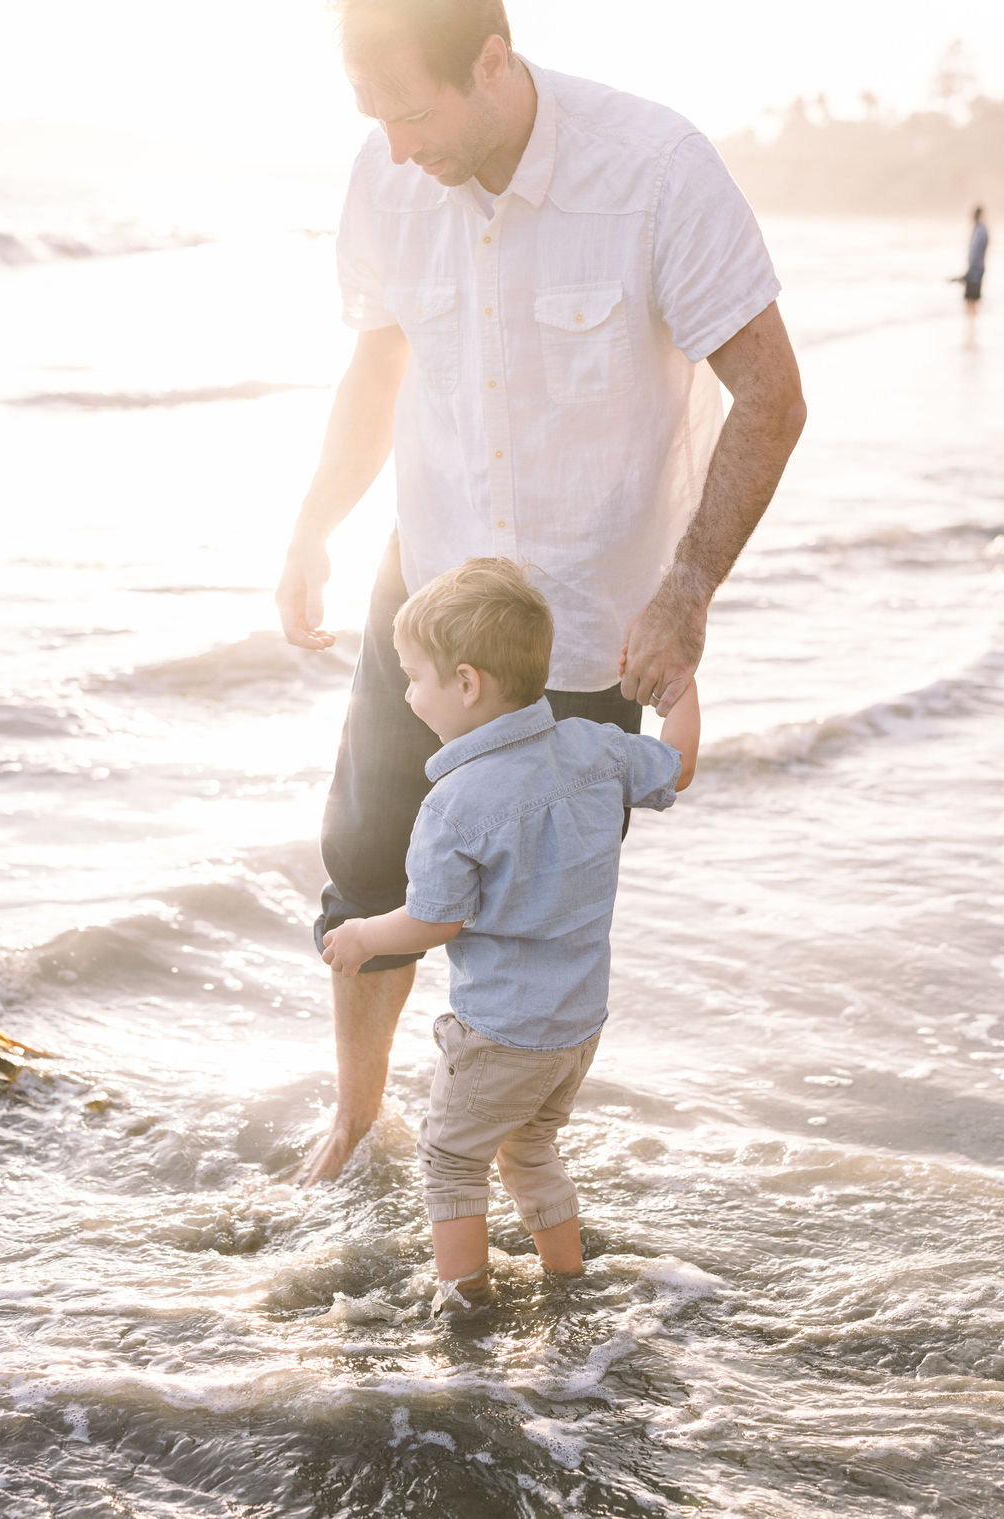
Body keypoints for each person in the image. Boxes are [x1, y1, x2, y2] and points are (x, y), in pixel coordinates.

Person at [275, 0, 806, 1183]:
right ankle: (358, 1119)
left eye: (414, 113)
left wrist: (686, 589)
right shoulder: (386, 170)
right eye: (376, 119)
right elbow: (380, 359)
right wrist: (316, 517)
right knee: (367, 863)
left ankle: (518, 1150)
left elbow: (771, 394)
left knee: (530, 915)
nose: (398, 149)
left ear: (495, 62)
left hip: (584, 631)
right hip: (428, 592)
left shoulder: (656, 171)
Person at [321, 559, 700, 1314]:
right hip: (575, 1029)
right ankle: (567, 1280)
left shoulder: (453, 803)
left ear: (467, 685)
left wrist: (362, 934)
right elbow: (679, 766)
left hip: (502, 1033)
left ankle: (466, 1306)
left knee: (452, 1161)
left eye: (416, 676)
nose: (405, 693)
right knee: (531, 1151)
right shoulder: (595, 747)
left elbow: (436, 919)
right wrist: (682, 690)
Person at [963, 206, 989, 318]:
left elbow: (978, 249)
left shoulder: (980, 230)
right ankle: (971, 324)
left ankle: (972, 325)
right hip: (976, 266)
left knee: (971, 298)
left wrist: (973, 267)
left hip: (976, 268)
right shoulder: (978, 229)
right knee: (971, 298)